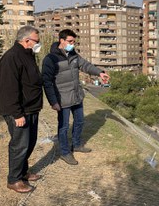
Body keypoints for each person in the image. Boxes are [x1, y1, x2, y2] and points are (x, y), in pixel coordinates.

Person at [42, 29, 109, 165]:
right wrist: (53, 101)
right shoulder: (50, 59)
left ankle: (77, 144)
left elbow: (85, 65)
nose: (73, 44)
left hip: (77, 96)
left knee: (79, 122)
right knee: (64, 127)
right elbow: (46, 82)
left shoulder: (73, 54)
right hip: (62, 99)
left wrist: (100, 73)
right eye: (70, 41)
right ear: (62, 40)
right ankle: (65, 152)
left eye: (74, 41)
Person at [0, 26, 43, 193]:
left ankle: (23, 172)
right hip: (18, 111)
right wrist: (17, 114)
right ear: (26, 41)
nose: (38, 45)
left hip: (31, 108)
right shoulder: (11, 57)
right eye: (36, 41)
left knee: (29, 143)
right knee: (19, 145)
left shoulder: (28, 54)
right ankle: (14, 179)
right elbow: (9, 89)